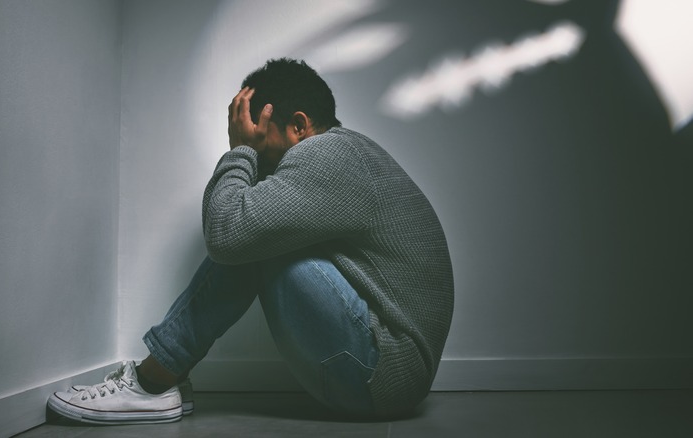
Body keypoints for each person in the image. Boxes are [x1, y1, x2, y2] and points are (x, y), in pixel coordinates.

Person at [47, 58, 454, 423]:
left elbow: (228, 234)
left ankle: (152, 384)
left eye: (265, 143)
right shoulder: (348, 156)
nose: (261, 160)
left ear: (299, 126)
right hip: (381, 372)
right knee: (258, 233)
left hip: (383, 376)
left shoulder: (329, 154)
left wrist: (239, 149)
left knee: (254, 240)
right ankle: (160, 380)